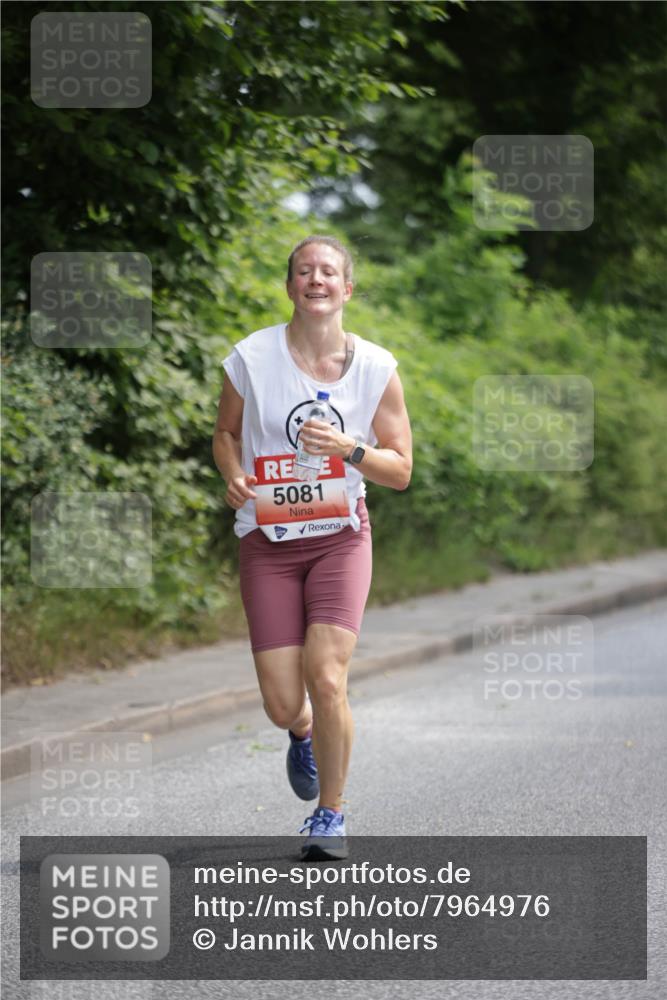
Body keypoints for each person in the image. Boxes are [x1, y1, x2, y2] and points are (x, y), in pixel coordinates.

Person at [213, 235, 412, 860]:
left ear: (347, 288)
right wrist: (232, 474)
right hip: (268, 541)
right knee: (281, 701)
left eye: (328, 271)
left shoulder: (377, 367)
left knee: (327, 676)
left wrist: (349, 450)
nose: (316, 280)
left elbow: (400, 469)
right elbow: (225, 433)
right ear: (290, 286)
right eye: (304, 271)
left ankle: (331, 814)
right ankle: (299, 731)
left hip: (340, 540)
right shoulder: (251, 357)